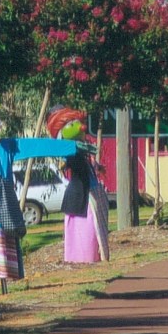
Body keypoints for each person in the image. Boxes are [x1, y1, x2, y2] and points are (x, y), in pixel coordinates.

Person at [0, 93, 94, 285]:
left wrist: (71, 147)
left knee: (1, 238)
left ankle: (4, 275)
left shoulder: (6, 147)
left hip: (3, 208)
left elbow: (37, 146)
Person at [46, 105, 110, 263]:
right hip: (81, 199)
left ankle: (96, 256)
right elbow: (68, 159)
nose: (80, 126)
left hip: (89, 194)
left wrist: (96, 165)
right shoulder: (70, 151)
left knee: (93, 229)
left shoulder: (82, 150)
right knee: (84, 231)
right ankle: (83, 258)